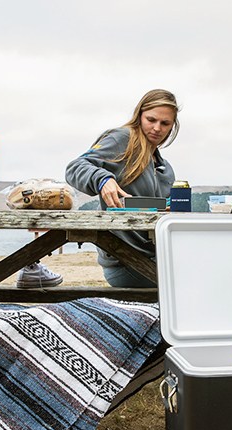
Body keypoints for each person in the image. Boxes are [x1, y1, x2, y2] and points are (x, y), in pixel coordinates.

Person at [65, 89, 179, 287]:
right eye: (151, 119)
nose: (157, 128)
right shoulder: (123, 139)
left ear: (172, 127)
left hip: (158, 257)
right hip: (126, 262)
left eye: (165, 123)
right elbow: (74, 168)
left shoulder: (165, 169)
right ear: (139, 115)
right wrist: (102, 179)